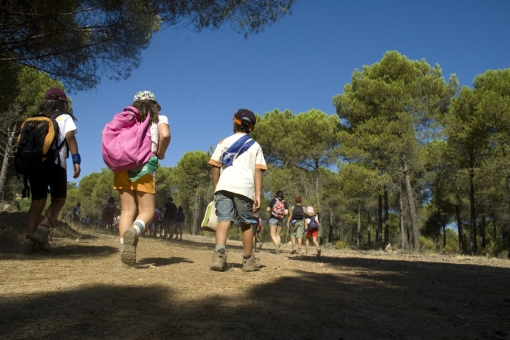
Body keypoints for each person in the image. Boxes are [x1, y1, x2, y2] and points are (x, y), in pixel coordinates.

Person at [21, 87, 81, 254]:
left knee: (37, 201)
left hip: (34, 164)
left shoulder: (35, 118)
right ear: (63, 102)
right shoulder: (64, 117)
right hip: (55, 163)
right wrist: (76, 160)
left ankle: (27, 241)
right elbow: (70, 137)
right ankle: (42, 230)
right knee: (59, 200)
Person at [114, 91, 170, 266]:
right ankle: (134, 231)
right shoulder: (159, 118)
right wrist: (160, 153)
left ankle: (125, 251)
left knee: (127, 210)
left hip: (122, 167)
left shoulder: (126, 118)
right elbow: (166, 135)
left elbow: (105, 133)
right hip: (145, 166)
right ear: (155, 105)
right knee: (147, 211)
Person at [208, 109, 267, 272]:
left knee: (224, 221)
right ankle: (248, 261)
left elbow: (215, 166)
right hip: (245, 188)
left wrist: (216, 188)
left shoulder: (224, 142)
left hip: (224, 186)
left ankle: (218, 258)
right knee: (246, 224)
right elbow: (258, 171)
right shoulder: (255, 146)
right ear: (251, 128)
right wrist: (258, 195)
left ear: (235, 123)